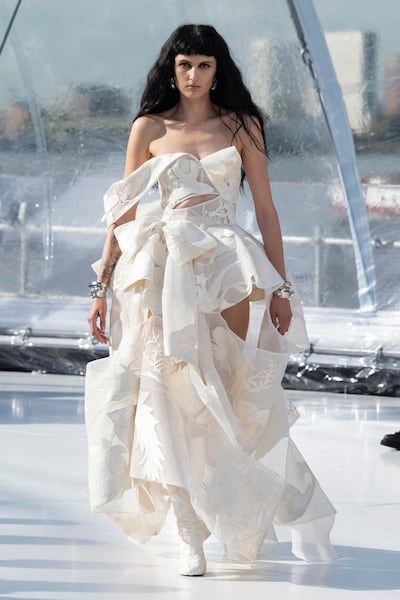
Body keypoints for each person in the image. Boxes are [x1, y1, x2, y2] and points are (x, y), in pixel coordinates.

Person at [85, 24, 337, 576]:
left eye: (203, 64)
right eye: (185, 65)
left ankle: (238, 512)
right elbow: (123, 212)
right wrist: (101, 287)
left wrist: (282, 287)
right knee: (164, 393)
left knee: (228, 399)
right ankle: (189, 531)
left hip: (228, 268)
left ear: (218, 69)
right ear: (171, 69)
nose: (194, 75)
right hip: (163, 270)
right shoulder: (149, 127)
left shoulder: (242, 125)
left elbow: (265, 210)